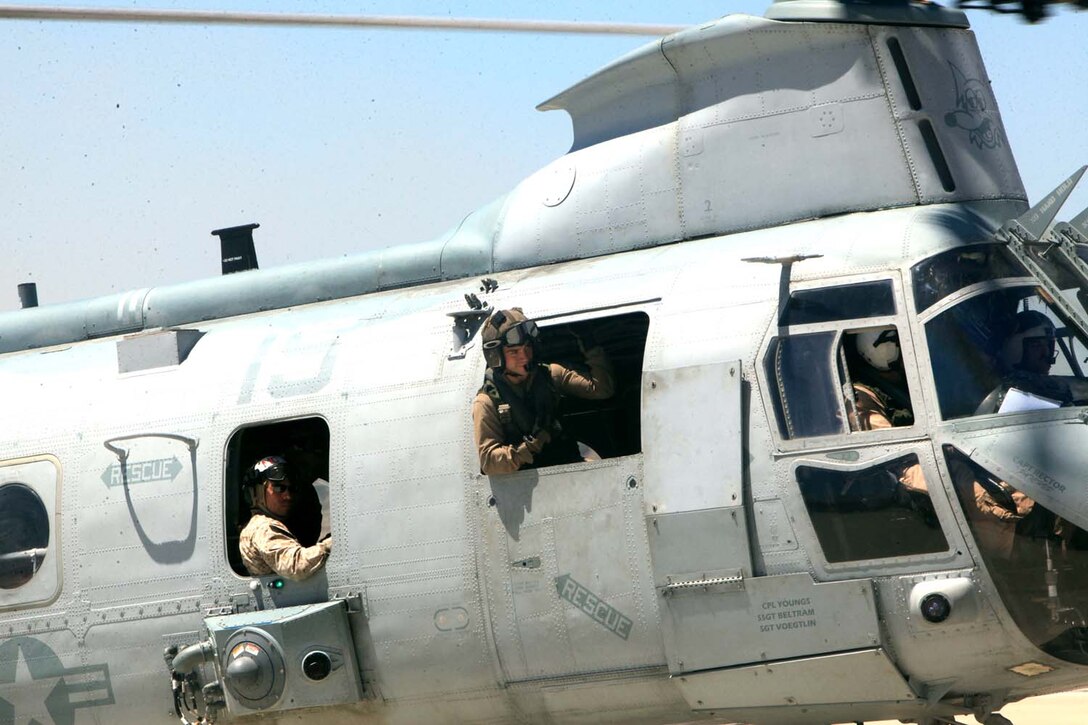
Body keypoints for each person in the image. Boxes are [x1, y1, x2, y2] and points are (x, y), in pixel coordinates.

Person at [472, 308, 614, 475]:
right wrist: (531, 446)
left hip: (567, 469)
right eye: (514, 352)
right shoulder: (486, 402)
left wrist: (589, 344)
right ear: (496, 356)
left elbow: (602, 389)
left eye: (527, 347)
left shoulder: (550, 375)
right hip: (525, 487)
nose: (524, 356)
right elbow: (490, 463)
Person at [239, 456, 332, 580]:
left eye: (292, 489)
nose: (288, 496)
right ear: (257, 492)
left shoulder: (260, 525)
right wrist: (332, 543)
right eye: (279, 488)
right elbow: (296, 566)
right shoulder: (263, 527)